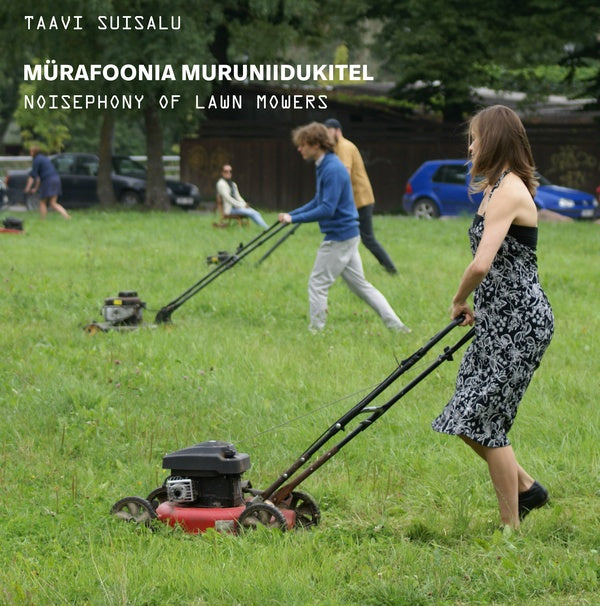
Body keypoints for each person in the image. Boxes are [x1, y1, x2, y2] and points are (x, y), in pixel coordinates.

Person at [431, 105, 554, 529]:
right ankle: (528, 489)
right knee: (465, 417)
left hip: (520, 323)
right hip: (496, 321)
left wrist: (458, 299)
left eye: (476, 138)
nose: (470, 147)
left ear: (495, 140)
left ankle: (510, 528)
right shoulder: (494, 187)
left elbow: (482, 264)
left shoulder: (509, 190)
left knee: (484, 421)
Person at [278, 122, 410, 333]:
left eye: (303, 144)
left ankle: (316, 331)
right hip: (347, 235)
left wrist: (293, 219)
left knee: (317, 283)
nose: (299, 149)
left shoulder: (332, 168)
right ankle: (399, 328)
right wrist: (292, 215)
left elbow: (327, 209)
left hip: (339, 237)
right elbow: (318, 201)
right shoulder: (324, 164)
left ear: (316, 144)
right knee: (362, 287)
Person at [324, 118, 397, 274]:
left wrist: (335, 196)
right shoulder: (337, 147)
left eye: (329, 132)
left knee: (367, 238)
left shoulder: (344, 147)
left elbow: (345, 173)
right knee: (350, 237)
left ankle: (391, 269)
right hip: (354, 200)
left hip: (360, 199)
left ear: (337, 131)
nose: (327, 137)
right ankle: (347, 269)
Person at [24, 146, 71, 219]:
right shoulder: (44, 158)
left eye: (31, 151)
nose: (30, 153)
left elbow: (32, 176)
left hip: (48, 180)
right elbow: (39, 178)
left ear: (34, 152)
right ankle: (67, 217)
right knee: (53, 203)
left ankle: (43, 220)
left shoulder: (36, 160)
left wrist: (27, 188)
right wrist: (35, 189)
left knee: (42, 202)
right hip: (56, 178)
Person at [216, 164, 269, 228]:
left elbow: (238, 197)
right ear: (222, 173)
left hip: (237, 207)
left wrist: (244, 204)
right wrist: (241, 205)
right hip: (230, 209)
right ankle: (266, 228)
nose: (228, 173)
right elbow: (228, 198)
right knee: (253, 213)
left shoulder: (233, 184)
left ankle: (265, 227)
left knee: (256, 213)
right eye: (226, 171)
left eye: (230, 171)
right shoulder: (221, 184)